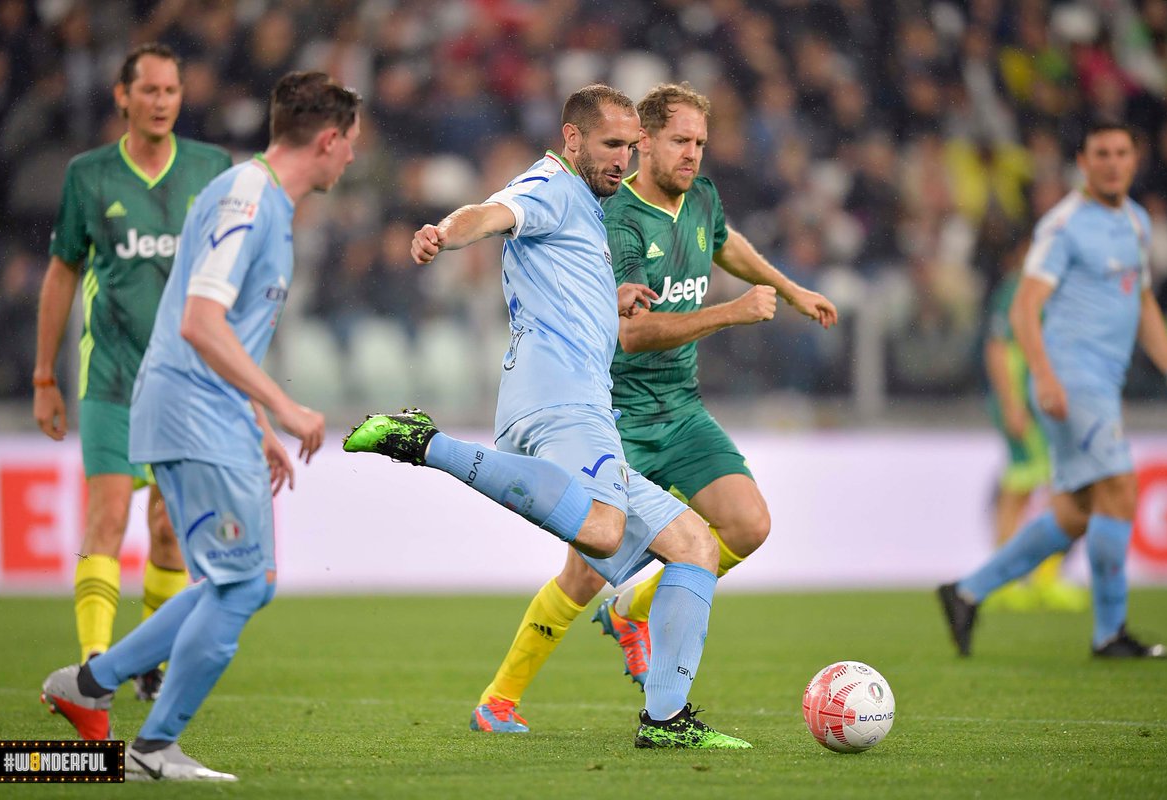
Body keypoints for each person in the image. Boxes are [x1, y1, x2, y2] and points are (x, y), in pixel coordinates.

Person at [343, 84, 750, 749]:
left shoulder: (587, 208)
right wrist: (444, 234)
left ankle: (666, 720)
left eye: (631, 147)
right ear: (571, 139)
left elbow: (549, 268)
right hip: (558, 402)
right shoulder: (550, 185)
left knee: (694, 547)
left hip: (576, 404)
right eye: (612, 145)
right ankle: (427, 444)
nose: (624, 159)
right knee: (601, 529)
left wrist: (607, 294)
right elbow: (492, 212)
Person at [468, 82, 838, 734]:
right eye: (679, 141)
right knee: (583, 573)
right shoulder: (618, 220)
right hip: (619, 413)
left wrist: (787, 286)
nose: (693, 154)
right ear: (645, 142)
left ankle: (634, 604)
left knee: (748, 525)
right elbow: (631, 333)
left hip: (682, 408)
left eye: (700, 141)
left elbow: (727, 243)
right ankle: (498, 698)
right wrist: (733, 312)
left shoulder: (700, 198)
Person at [40, 71, 358, 780]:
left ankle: (90, 684)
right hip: (190, 409)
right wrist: (283, 404)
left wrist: (257, 424)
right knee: (240, 584)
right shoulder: (249, 197)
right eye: (351, 146)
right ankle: (153, 750)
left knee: (248, 580)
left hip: (216, 413)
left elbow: (227, 328)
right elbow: (199, 321)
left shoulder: (262, 199)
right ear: (330, 139)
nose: (353, 160)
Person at [32, 43, 231, 699]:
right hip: (113, 378)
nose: (161, 101)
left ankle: (151, 664)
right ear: (123, 96)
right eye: (148, 90)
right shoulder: (89, 176)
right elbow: (62, 270)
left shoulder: (210, 169)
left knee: (172, 530)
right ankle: (94, 665)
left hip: (185, 383)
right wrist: (43, 375)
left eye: (171, 91)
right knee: (109, 517)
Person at [939, 120, 1167, 659]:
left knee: (1075, 512)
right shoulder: (1063, 226)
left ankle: (967, 591)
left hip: (1101, 384)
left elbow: (1143, 305)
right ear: (1083, 162)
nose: (1113, 162)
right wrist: (1043, 375)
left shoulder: (1136, 222)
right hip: (1072, 380)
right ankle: (1110, 634)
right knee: (1120, 491)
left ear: (1134, 160)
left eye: (1122, 152)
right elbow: (1025, 307)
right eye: (1101, 153)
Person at [981, 245, 1086, 613]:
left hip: (1046, 404)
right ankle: (1009, 579)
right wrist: (1011, 404)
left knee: (1048, 486)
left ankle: (1037, 577)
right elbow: (998, 348)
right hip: (1025, 405)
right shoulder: (1017, 289)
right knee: (1024, 487)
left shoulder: (1053, 290)